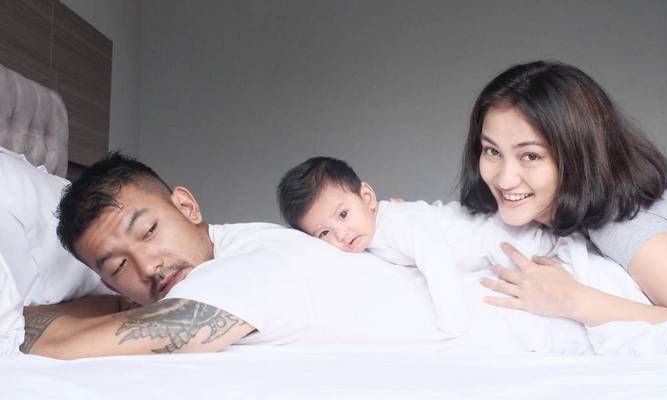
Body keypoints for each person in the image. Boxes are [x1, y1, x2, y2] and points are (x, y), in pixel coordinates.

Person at [22, 152, 596, 359]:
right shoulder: (232, 248)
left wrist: (16, 321)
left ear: (186, 205)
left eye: (148, 230)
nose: (147, 267)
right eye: (117, 267)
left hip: (535, 325)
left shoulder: (242, 272)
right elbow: (116, 311)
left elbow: (73, 344)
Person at [459, 60, 667, 326]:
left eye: (530, 156)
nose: (505, 179)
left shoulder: (624, 228)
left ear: (578, 157)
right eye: (492, 151)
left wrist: (571, 300)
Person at [276, 156, 556, 335]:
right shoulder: (375, 229)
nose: (341, 233)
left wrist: (453, 322)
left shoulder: (397, 223)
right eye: (324, 233)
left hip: (500, 236)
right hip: (487, 248)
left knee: (544, 265)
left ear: (367, 197)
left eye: (343, 214)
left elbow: (436, 261)